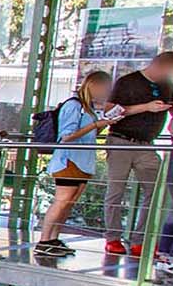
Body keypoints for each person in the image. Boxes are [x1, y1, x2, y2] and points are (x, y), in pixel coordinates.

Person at [38, 70, 115, 259]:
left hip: (83, 161)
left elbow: (88, 134)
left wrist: (103, 124)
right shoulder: (74, 106)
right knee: (62, 201)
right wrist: (95, 125)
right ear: (92, 86)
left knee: (69, 203)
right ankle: (44, 240)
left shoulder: (88, 108)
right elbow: (66, 136)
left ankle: (54, 238)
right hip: (69, 160)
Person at [104, 51, 173, 257]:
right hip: (121, 140)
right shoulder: (128, 82)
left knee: (156, 192)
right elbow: (110, 111)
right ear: (159, 66)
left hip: (147, 144)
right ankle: (113, 238)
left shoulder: (166, 86)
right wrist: (145, 108)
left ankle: (140, 240)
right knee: (116, 190)